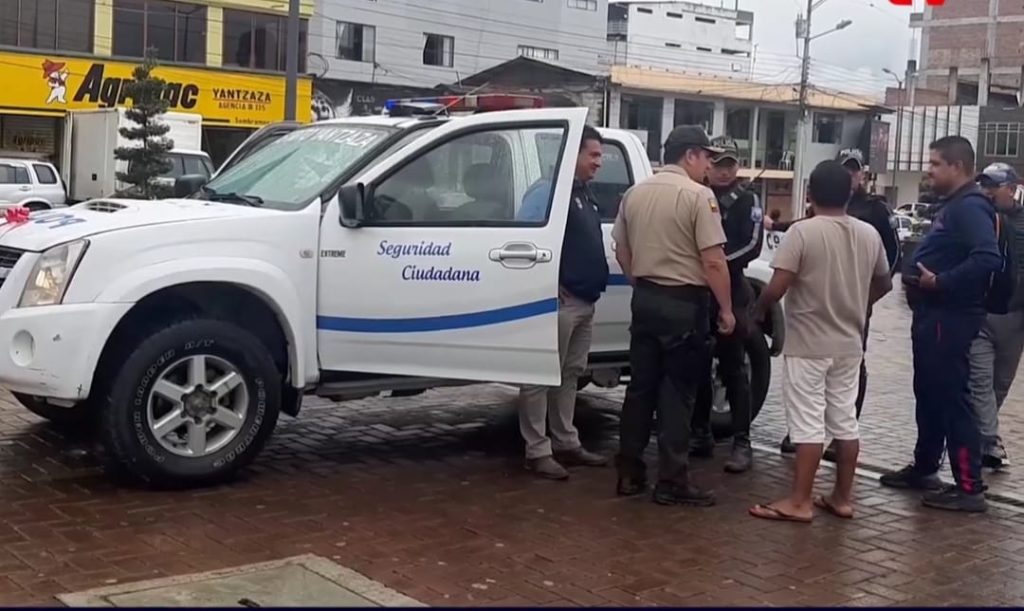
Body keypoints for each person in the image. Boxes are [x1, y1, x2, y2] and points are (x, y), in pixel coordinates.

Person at [748, 160, 892, 522]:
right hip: (848, 343)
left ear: (810, 194)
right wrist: (860, 304)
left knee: (808, 423)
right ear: (850, 192)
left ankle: (799, 501)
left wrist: (759, 309)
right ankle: (842, 498)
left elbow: (778, 284)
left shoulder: (802, 232)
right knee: (845, 421)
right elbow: (885, 283)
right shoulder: (868, 233)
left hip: (809, 343)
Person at [613, 125, 733, 506]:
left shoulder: (634, 193)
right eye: (707, 158)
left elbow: (621, 249)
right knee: (677, 394)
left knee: (639, 390)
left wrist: (641, 283)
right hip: (683, 304)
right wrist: (727, 309)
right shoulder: (699, 197)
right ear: (691, 155)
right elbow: (713, 261)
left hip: (646, 300)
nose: (709, 167)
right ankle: (672, 480)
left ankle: (629, 472)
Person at [880, 136, 1001, 513]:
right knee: (930, 395)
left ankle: (969, 487)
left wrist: (941, 282)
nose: (928, 171)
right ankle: (925, 467)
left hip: (950, 317)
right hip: (932, 315)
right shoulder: (954, 205)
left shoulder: (970, 208)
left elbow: (988, 258)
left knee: (951, 400)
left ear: (957, 167)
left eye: (935, 164)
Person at [517, 126, 610, 480]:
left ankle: (566, 441)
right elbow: (527, 242)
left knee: (570, 374)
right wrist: (548, 284)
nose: (599, 163)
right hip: (559, 303)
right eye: (594, 155)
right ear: (573, 154)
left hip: (585, 302)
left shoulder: (582, 194)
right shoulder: (547, 193)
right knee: (540, 375)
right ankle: (537, 450)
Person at [691, 136, 764, 474]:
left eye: (730, 164)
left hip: (732, 292)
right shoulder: (696, 194)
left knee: (734, 368)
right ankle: (701, 433)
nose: (724, 171)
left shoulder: (747, 199)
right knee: (699, 367)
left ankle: (742, 441)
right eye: (718, 163)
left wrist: (715, 264)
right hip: (699, 293)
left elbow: (752, 245)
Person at [968, 162, 1023, 470]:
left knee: (1000, 383)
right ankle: (988, 438)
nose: (986, 192)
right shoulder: (978, 219)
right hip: (981, 314)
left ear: (1012, 189)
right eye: (983, 185)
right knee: (980, 381)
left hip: (1015, 317)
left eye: (993, 186)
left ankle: (984, 439)